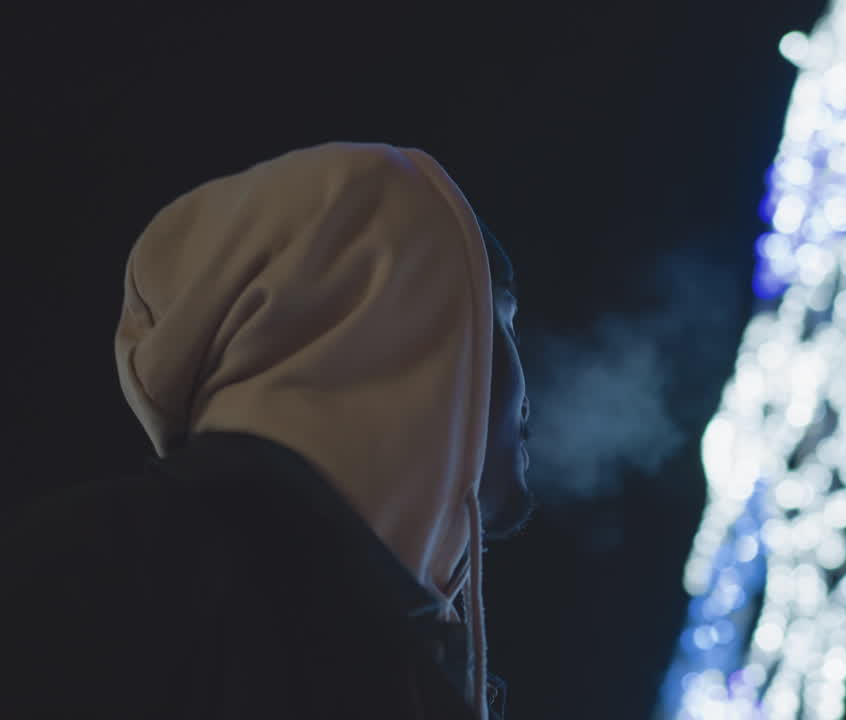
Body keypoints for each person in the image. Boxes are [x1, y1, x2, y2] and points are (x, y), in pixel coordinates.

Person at [0, 142, 531, 719]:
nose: (527, 389)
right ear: (385, 329)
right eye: (497, 320)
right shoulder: (91, 588)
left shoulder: (409, 663)